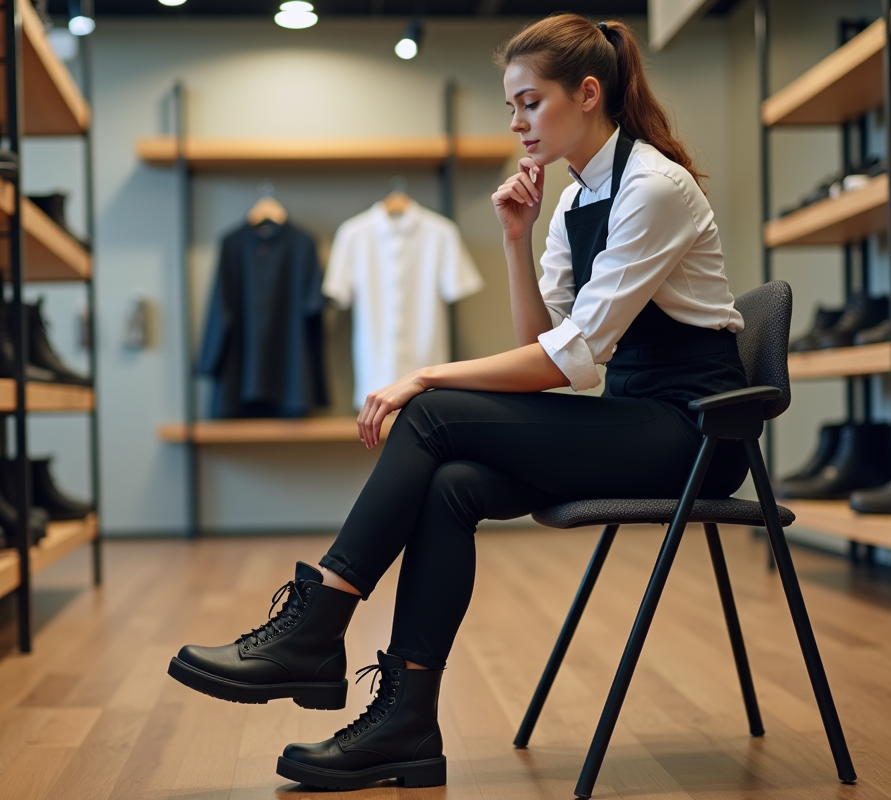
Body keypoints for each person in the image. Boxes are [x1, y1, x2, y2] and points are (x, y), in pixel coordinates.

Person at [168, 13, 749, 792]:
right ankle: (406, 725)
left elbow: (569, 363)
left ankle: (315, 625)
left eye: (529, 103)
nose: (516, 122)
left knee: (434, 411)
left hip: (696, 435)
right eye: (510, 106)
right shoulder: (574, 199)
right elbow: (542, 341)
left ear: (586, 93)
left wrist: (426, 375)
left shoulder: (654, 186)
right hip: (629, 420)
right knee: (451, 487)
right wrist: (517, 235)